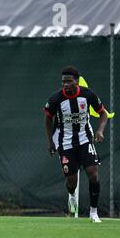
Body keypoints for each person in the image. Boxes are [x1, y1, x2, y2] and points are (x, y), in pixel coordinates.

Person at [43, 66, 108, 223]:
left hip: (85, 139)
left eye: (69, 81)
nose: (65, 84)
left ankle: (93, 213)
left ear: (77, 81)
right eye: (63, 82)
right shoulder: (55, 99)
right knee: (72, 181)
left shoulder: (88, 95)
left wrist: (100, 131)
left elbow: (103, 114)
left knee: (93, 173)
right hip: (65, 143)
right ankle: (71, 195)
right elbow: (47, 119)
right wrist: (51, 141)